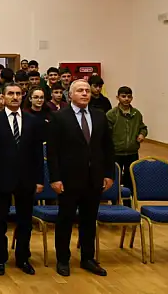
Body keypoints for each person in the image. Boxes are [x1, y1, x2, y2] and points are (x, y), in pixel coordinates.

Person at [47, 80, 115, 277]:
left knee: (89, 220)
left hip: (94, 179)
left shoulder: (100, 116)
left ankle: (87, 257)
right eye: (80, 91)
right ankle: (62, 259)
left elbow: (108, 148)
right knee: (65, 219)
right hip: (68, 179)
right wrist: (55, 178)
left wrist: (108, 174)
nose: (85, 93)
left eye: (87, 90)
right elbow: (53, 152)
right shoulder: (59, 117)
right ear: (70, 94)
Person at [0, 83, 44, 276]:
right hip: (1, 179)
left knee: (25, 222)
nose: (15, 97)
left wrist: (39, 180)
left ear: (23, 96)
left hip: (26, 179)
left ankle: (23, 258)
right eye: (11, 94)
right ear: (3, 97)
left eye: (18, 94)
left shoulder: (33, 121)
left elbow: (37, 153)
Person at [106, 86, 147, 203]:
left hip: (132, 152)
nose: (126, 99)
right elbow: (106, 133)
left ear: (132, 98)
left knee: (131, 179)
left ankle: (129, 204)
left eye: (129, 96)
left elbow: (143, 127)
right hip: (116, 152)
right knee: (115, 178)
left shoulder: (136, 113)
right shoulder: (111, 114)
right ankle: (115, 202)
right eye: (123, 96)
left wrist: (142, 134)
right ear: (117, 97)